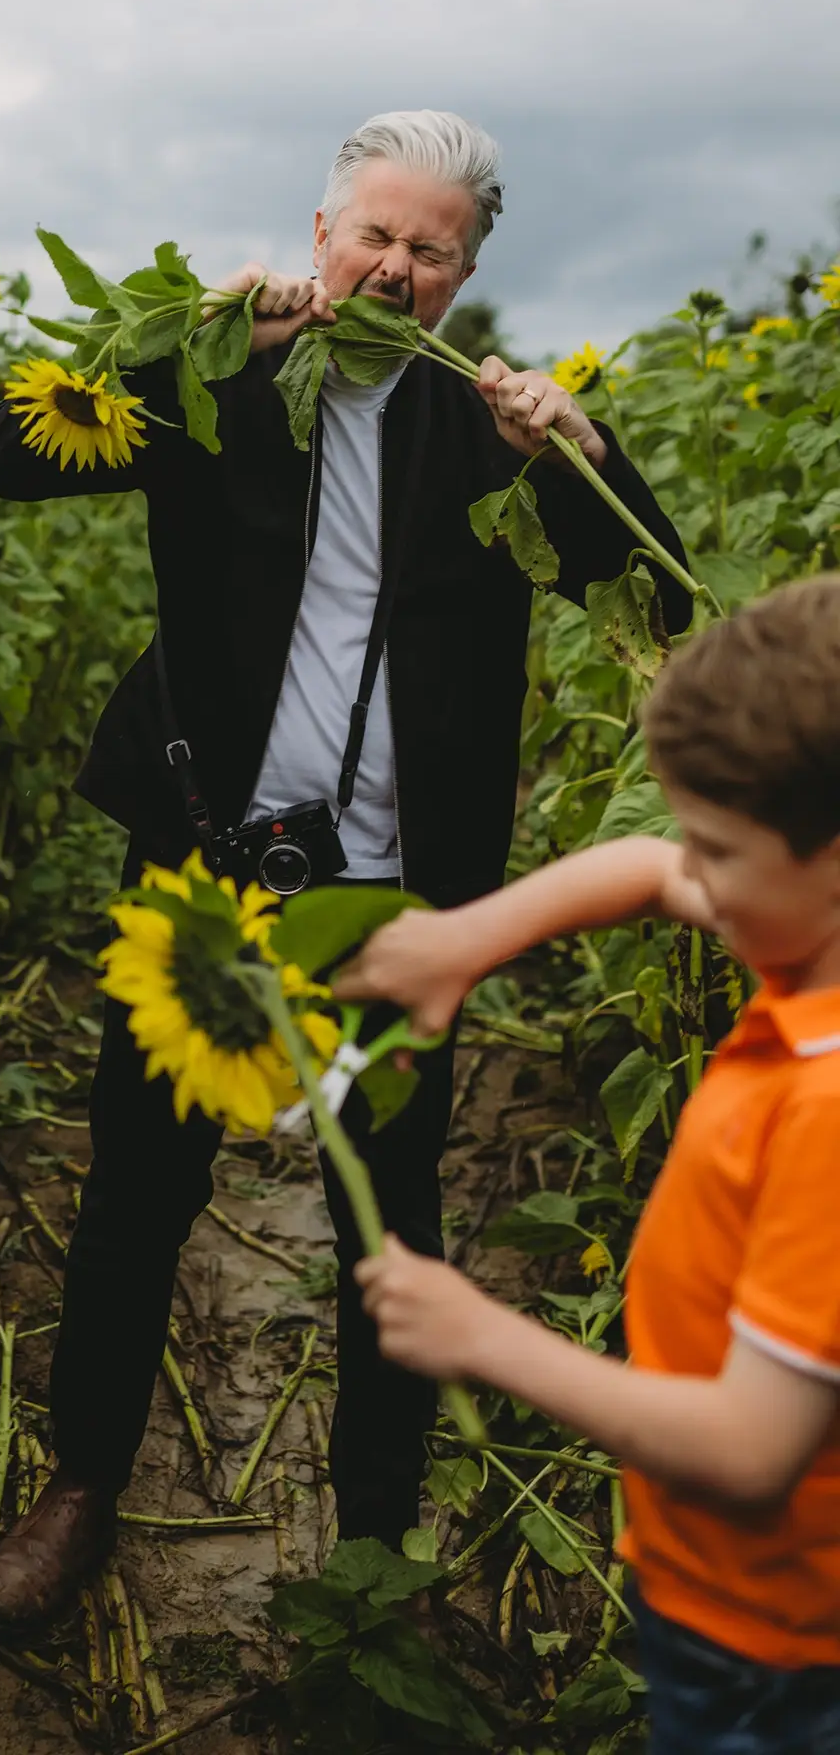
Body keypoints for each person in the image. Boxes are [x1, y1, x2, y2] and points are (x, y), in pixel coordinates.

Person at [0, 109, 691, 1627]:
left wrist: (577, 445)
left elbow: (654, 573)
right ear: (319, 235)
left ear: (468, 272)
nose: (393, 270)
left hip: (397, 896)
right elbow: (1, 461)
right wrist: (183, 341)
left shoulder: (480, 432)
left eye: (432, 250)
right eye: (374, 233)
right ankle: (81, 1485)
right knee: (140, 1190)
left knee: (390, 1219)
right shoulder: (227, 389)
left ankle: (374, 1543)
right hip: (210, 866)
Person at [345, 575, 840, 1755]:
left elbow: (747, 1448)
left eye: (717, 851)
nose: (695, 883)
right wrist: (470, 937)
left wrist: (482, 1339)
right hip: (718, 1596)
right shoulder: (803, 945)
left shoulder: (828, 1114)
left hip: (774, 1646)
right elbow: (635, 868)